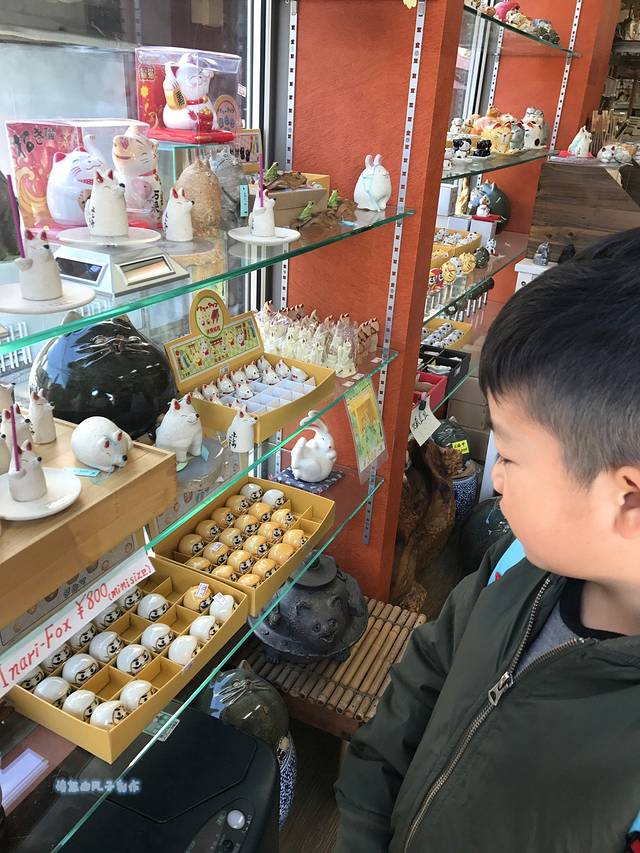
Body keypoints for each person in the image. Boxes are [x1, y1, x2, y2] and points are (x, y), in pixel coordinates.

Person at [335, 229, 640, 853]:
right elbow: (428, 670)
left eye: (512, 457)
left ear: (628, 498)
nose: (495, 479)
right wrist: (365, 824)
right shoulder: (516, 565)